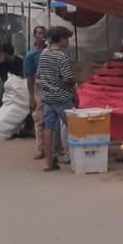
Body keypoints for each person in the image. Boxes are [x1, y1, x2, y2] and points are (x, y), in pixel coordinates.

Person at [37, 26, 77, 171]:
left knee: (48, 128)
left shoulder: (44, 54)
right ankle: (77, 158)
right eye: (66, 38)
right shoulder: (61, 56)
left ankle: (49, 162)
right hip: (63, 97)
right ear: (60, 39)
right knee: (75, 127)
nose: (68, 42)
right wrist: (75, 91)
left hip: (48, 97)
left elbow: (39, 75)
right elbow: (68, 79)